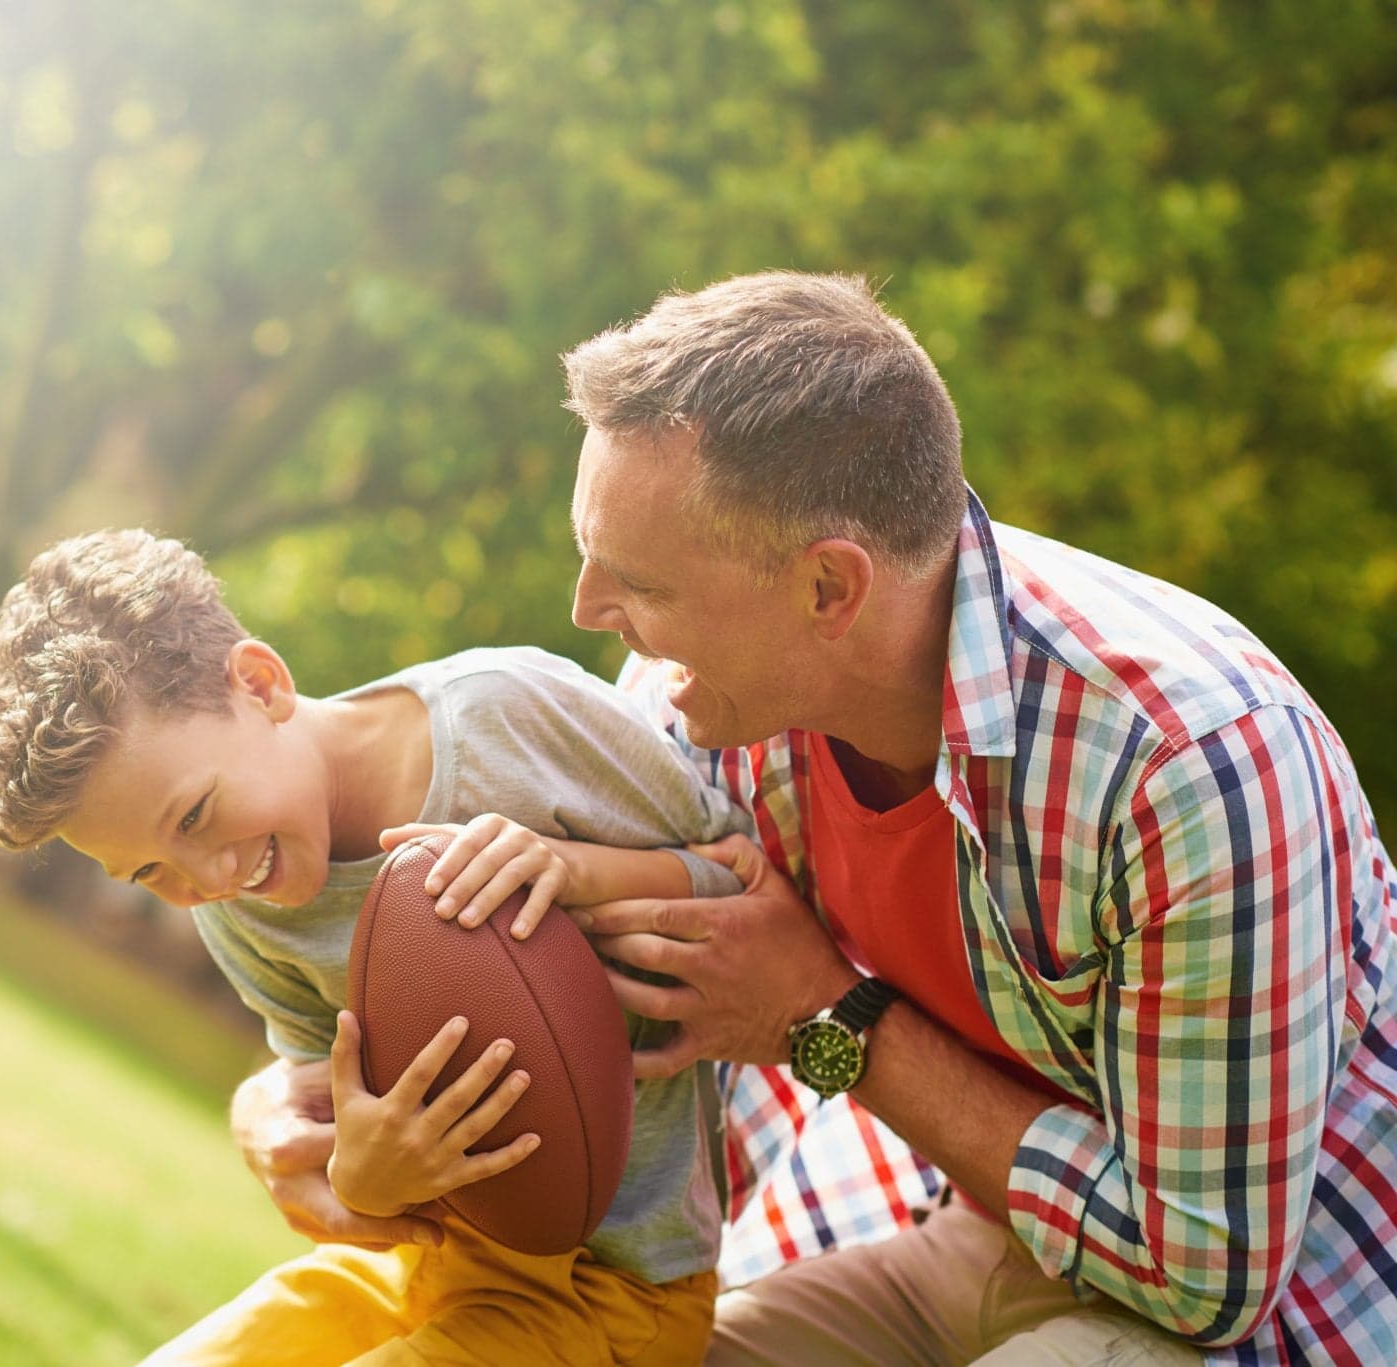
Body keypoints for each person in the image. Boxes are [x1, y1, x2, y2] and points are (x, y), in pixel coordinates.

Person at [551, 272, 1397, 1362]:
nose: (588, 610)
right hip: (953, 1225)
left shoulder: (1186, 763)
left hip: (1265, 1306)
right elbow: (602, 997)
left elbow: (1200, 1270)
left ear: (826, 590)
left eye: (639, 584)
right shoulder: (706, 703)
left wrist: (824, 1014)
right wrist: (344, 1101)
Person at [0, 528, 748, 1365]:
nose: (210, 875)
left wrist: (574, 869)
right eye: (149, 869)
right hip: (424, 1263)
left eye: (194, 815)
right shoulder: (237, 912)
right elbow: (338, 1127)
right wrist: (361, 1182)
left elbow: (740, 884)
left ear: (260, 685)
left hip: (618, 1291)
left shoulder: (508, 720)